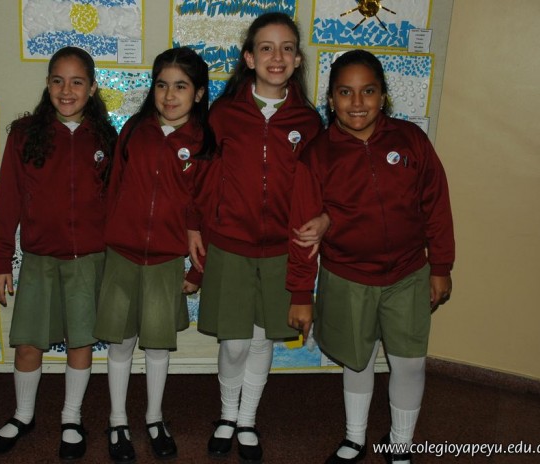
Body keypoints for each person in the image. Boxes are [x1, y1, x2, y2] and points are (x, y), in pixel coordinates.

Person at [288, 49, 455, 464]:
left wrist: (440, 266)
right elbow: (304, 232)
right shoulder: (316, 156)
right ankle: (354, 438)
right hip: (348, 278)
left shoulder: (411, 140)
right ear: (331, 99)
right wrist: (300, 293)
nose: (357, 102)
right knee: (357, 363)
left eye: (368, 91)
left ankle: (401, 444)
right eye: (345, 92)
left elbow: (436, 205)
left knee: (408, 363)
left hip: (408, 275)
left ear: (383, 96)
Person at [188, 12, 326, 463]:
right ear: (249, 58)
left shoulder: (309, 122)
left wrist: (326, 218)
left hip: (282, 251)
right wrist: (194, 224)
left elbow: (324, 186)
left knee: (264, 339)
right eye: (266, 47)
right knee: (234, 342)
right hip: (230, 246)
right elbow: (204, 177)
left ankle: (247, 419)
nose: (277, 56)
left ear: (298, 59)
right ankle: (226, 415)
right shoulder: (223, 114)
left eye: (287, 48)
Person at [0, 46, 117, 461]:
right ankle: (23, 415)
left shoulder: (106, 138)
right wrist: (0, 260)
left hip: (88, 261)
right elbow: (8, 199)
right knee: (28, 343)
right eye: (58, 80)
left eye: (77, 81)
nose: (66, 90)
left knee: (80, 342)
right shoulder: (25, 134)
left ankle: (71, 417)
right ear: (47, 84)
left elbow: (117, 203)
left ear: (92, 88)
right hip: (40, 258)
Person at [93, 46, 215, 463]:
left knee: (159, 347)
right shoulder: (134, 130)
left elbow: (205, 212)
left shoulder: (203, 142)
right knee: (121, 343)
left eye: (181, 86)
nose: (169, 95)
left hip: (166, 260)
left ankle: (154, 417)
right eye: (162, 85)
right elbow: (113, 190)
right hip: (122, 256)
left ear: (199, 93)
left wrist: (197, 271)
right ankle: (117, 420)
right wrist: (106, 245)